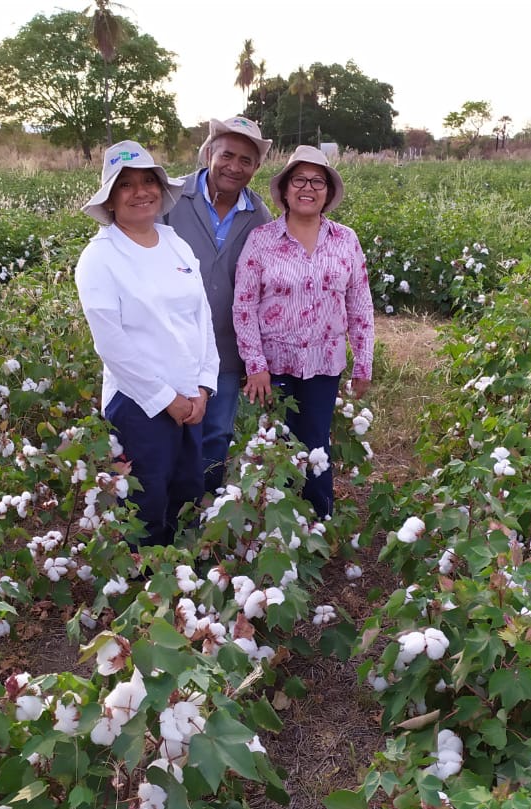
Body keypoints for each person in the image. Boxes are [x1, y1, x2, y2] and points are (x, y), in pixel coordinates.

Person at [75, 141, 219, 547]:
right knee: (145, 502)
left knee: (187, 492)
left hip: (191, 399)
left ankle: (182, 584)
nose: (141, 192)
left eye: (148, 181)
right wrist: (164, 398)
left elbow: (201, 317)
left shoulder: (175, 243)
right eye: (127, 185)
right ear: (111, 199)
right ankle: (145, 594)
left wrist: (204, 387)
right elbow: (111, 344)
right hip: (138, 405)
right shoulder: (100, 258)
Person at [232, 145, 375, 519]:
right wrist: (255, 364)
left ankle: (318, 523)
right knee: (271, 445)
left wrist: (363, 362)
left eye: (317, 181)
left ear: (327, 192)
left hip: (324, 363)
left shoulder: (346, 240)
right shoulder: (261, 240)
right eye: (299, 180)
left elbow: (360, 303)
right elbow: (244, 305)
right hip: (271, 367)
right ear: (284, 190)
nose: (307, 188)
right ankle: (269, 526)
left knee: (315, 446)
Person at [165, 116, 273, 495]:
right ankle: (167, 519)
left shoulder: (259, 216)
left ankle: (203, 509)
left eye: (246, 160)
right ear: (209, 153)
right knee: (167, 430)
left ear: (256, 167)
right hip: (170, 341)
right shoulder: (172, 197)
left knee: (216, 434)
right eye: (227, 155)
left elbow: (263, 289)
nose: (234, 166)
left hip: (226, 348)